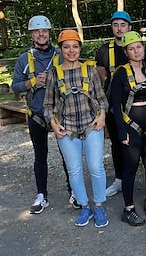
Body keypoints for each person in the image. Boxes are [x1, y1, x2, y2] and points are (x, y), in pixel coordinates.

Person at [43, 29, 109, 228]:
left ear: (80, 48)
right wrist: (53, 124)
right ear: (61, 49)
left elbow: (101, 98)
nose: (71, 51)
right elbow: (47, 105)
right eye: (66, 47)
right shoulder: (54, 74)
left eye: (75, 46)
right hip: (66, 128)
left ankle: (98, 205)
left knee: (96, 167)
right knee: (74, 170)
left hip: (91, 124)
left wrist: (102, 116)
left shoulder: (89, 71)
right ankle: (84, 205)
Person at [11, 15, 73, 214]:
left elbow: (73, 78)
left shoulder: (60, 55)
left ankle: (74, 191)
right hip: (36, 113)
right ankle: (41, 195)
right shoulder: (24, 59)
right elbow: (15, 86)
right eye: (37, 31)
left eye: (44, 31)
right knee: (40, 155)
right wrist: (33, 83)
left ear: (49, 33)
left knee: (67, 154)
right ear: (32, 34)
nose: (41, 34)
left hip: (60, 113)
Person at [110, 31, 146, 226]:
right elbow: (115, 104)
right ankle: (128, 208)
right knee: (130, 166)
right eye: (131, 48)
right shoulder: (120, 74)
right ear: (126, 51)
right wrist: (121, 132)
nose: (136, 51)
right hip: (130, 126)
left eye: (139, 47)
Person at [95, 10, 133, 198]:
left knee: (141, 141)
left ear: (129, 27)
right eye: (116, 25)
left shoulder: (138, 47)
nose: (119, 28)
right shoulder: (104, 49)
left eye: (123, 24)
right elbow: (100, 71)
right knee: (117, 142)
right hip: (113, 103)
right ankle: (119, 178)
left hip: (137, 104)